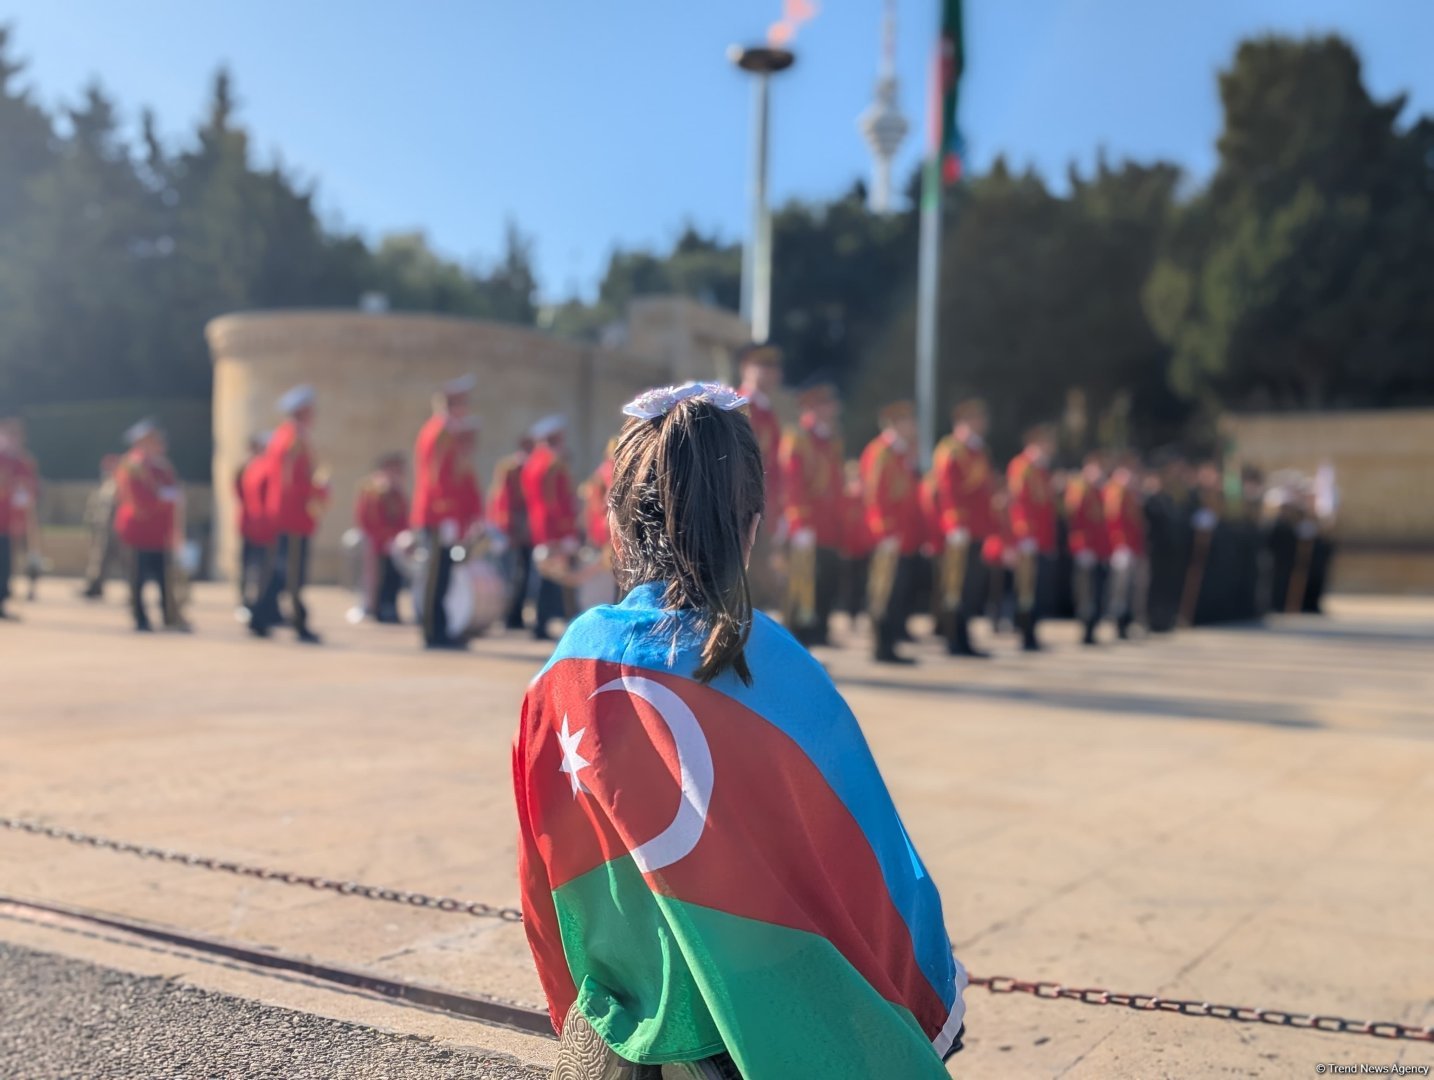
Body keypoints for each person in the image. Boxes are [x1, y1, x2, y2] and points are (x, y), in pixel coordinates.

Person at [514, 381, 966, 1079]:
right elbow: (877, 876)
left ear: (617, 522)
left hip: (623, 1030)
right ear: (750, 525)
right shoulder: (779, 668)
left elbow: (544, 881)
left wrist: (577, 1011)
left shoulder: (564, 667)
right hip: (765, 1033)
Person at [250, 385, 329, 642]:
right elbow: (292, 483)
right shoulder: (293, 440)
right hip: (293, 516)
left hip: (292, 515)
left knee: (283, 570)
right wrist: (317, 489)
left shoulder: (290, 437)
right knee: (292, 572)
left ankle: (260, 615)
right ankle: (296, 621)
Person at [412, 375, 483, 649]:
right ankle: (432, 631)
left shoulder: (450, 433)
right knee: (434, 578)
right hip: (438, 515)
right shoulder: (440, 432)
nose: (466, 406)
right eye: (462, 402)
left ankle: (440, 628)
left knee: (442, 576)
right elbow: (436, 479)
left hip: (446, 516)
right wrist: (446, 513)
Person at [777, 380, 844, 648]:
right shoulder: (799, 438)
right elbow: (791, 482)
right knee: (801, 584)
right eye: (822, 405)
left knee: (826, 580)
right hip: (807, 522)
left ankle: (819, 632)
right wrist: (799, 520)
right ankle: (798, 637)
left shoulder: (830, 439)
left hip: (827, 524)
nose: (829, 410)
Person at [930, 399, 997, 658]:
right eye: (976, 419)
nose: (982, 424)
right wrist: (956, 522)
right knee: (955, 586)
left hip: (976, 529)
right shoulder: (952, 450)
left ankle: (964, 637)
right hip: (958, 530)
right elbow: (947, 489)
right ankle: (952, 637)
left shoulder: (979, 451)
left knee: (971, 587)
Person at [861, 401, 925, 665]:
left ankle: (890, 642)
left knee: (896, 591)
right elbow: (874, 495)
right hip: (887, 535)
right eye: (908, 421)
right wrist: (884, 530)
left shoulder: (900, 455)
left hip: (901, 535)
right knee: (884, 590)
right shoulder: (881, 453)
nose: (912, 427)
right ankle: (881, 645)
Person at [113, 420, 183, 632]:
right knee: (139, 577)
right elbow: (136, 499)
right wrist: (162, 499)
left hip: (159, 530)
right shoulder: (133, 464)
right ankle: (140, 617)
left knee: (164, 576)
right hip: (139, 529)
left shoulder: (160, 465)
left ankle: (168, 615)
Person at [521, 414, 579, 642]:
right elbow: (557, 502)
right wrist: (567, 530)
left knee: (542, 577)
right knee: (554, 578)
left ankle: (539, 622)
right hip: (555, 528)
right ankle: (546, 621)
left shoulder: (534, 461)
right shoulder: (553, 463)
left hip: (541, 526)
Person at [737, 343, 785, 611]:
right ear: (746, 369)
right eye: (762, 367)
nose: (770, 374)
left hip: (763, 506)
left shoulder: (768, 413)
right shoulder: (738, 405)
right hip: (741, 504)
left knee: (759, 583)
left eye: (773, 369)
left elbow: (775, 468)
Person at [1008, 423, 1058, 651]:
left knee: (1038, 588)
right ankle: (1025, 633)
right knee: (1026, 589)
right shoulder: (1022, 466)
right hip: (1027, 536)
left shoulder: (1042, 470)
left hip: (1041, 536)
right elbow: (1019, 502)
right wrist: (1024, 532)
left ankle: (1032, 632)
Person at [355, 452, 410, 624]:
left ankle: (390, 607)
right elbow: (368, 517)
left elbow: (403, 516)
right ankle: (379, 608)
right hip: (378, 542)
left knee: (394, 577)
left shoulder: (396, 490)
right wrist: (385, 537)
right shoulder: (374, 488)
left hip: (394, 541)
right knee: (378, 577)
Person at [1065, 451, 1111, 646]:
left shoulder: (1101, 491)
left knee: (1098, 591)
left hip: (1100, 548)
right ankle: (1085, 628)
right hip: (1085, 547)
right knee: (1085, 591)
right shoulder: (1080, 488)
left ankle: (1093, 628)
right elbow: (1075, 517)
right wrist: (1081, 546)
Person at [490, 435, 534, 630]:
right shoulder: (511, 468)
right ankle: (508, 615)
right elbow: (504, 499)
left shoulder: (531, 466)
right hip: (513, 528)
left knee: (522, 575)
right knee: (511, 574)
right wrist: (507, 528)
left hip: (526, 527)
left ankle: (516, 615)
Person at [1104, 453, 1148, 638]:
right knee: (1120, 589)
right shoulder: (1117, 489)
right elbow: (1114, 518)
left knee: (1134, 588)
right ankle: (1118, 623)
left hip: (1135, 545)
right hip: (1123, 546)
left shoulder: (1132, 490)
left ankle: (1129, 622)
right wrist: (1120, 544)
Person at [0, 417, 41, 602]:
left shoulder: (23, 461)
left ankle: (6, 592)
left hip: (13, 519)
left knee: (9, 560)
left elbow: (30, 488)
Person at [235, 433, 274, 617]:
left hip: (258, 525)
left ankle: (258, 602)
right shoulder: (249, 467)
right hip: (253, 524)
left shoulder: (256, 467)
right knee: (249, 565)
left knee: (260, 567)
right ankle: (246, 601)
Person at [79, 454, 122, 600]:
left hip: (117, 530)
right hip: (105, 529)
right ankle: (95, 587)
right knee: (100, 561)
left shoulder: (118, 484)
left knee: (127, 563)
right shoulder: (106, 484)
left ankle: (133, 592)